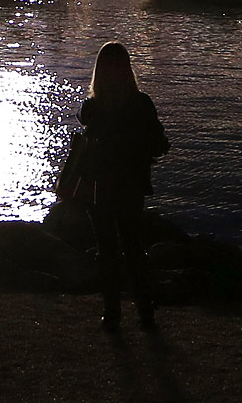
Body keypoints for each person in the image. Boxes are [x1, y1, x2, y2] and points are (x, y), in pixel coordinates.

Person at [78, 41, 169, 331]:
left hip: (100, 185)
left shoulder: (92, 108)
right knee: (133, 248)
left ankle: (112, 313)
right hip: (131, 185)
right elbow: (159, 144)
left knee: (106, 250)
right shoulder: (141, 104)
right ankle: (145, 312)